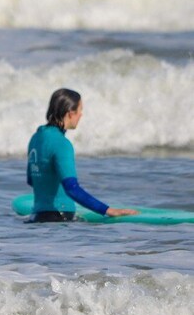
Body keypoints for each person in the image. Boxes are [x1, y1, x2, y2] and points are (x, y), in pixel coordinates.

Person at [26, 88, 138, 222]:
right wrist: (108, 210)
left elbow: (31, 179)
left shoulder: (36, 138)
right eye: (80, 110)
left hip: (36, 217)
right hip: (58, 220)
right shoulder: (62, 144)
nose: (81, 115)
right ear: (70, 113)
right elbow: (72, 188)